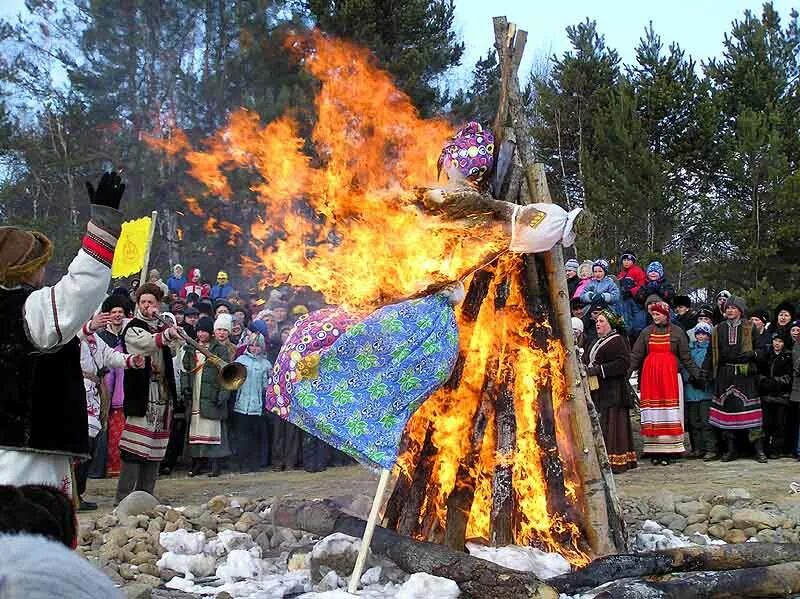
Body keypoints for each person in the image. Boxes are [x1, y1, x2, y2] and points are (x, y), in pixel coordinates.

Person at [0, 171, 125, 497]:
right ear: (24, 269)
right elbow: (79, 291)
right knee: (29, 537)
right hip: (22, 456)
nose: (44, 270)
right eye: (39, 263)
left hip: (13, 449)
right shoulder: (22, 309)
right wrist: (103, 225)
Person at [116, 283, 182, 503]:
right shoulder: (132, 326)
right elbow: (144, 344)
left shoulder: (162, 326)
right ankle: (123, 499)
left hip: (163, 393)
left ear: (158, 304)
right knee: (134, 448)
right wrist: (165, 335)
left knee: (155, 448)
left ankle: (147, 498)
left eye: (150, 302)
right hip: (142, 394)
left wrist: (173, 333)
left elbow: (174, 349)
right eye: (142, 302)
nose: (146, 306)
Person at [76, 316, 143, 511]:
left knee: (90, 447)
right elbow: (66, 343)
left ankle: (78, 494)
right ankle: (70, 495)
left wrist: (130, 360)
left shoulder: (96, 340)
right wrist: (87, 328)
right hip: (75, 392)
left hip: (93, 395)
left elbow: (110, 355)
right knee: (81, 448)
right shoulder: (73, 334)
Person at [630, 300, 701, 465]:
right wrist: (626, 374)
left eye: (658, 314)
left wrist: (698, 374)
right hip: (651, 379)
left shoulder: (677, 332)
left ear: (666, 314)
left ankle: (671, 450)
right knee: (654, 412)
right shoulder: (646, 333)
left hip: (670, 378)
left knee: (669, 411)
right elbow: (636, 355)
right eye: (653, 314)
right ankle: (654, 449)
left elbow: (686, 358)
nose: (655, 317)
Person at [706, 295, 767, 463]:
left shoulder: (750, 327)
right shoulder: (718, 329)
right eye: (727, 308)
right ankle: (730, 450)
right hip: (724, 375)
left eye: (733, 308)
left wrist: (752, 354)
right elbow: (711, 353)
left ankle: (759, 450)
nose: (730, 310)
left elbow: (762, 350)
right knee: (727, 414)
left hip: (745, 375)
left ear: (740, 310)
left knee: (751, 414)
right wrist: (706, 372)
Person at [582, 309, 637, 473]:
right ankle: (601, 459)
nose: (598, 324)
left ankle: (616, 460)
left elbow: (624, 363)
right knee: (601, 422)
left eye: (602, 321)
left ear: (611, 324)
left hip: (614, 390)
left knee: (612, 423)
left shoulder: (617, 340)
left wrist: (599, 370)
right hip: (598, 389)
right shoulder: (595, 341)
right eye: (597, 321)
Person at [184, 317, 232, 477]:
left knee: (213, 430)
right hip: (196, 393)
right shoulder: (190, 348)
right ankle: (197, 463)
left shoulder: (219, 349)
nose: (201, 334)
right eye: (199, 331)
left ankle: (215, 465)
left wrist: (223, 393)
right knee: (196, 430)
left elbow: (227, 373)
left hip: (211, 393)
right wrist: (186, 388)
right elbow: (185, 370)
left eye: (204, 331)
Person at [95, 294, 132, 479]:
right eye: (114, 312)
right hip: (103, 389)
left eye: (120, 312)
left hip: (124, 393)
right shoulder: (102, 337)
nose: (117, 315)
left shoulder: (130, 336)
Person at [232, 332, 271, 472]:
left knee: (255, 435)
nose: (254, 348)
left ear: (262, 347)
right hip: (241, 404)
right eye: (252, 345)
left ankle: (254, 463)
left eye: (257, 346)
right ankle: (242, 463)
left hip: (257, 406)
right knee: (242, 436)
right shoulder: (241, 360)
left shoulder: (266, 364)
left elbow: (267, 387)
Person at [683, 322, 717, 460]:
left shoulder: (711, 351)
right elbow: (685, 366)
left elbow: (712, 369)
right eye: (698, 333)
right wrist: (689, 378)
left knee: (706, 422)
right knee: (693, 422)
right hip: (691, 391)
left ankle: (711, 448)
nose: (701, 336)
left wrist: (704, 379)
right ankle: (697, 448)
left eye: (704, 333)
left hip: (705, 392)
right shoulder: (689, 350)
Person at [758, 332, 794, 458]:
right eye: (775, 341)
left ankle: (776, 449)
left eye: (780, 341)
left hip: (782, 396)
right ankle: (765, 449)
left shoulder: (788, 356)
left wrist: (776, 382)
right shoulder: (766, 355)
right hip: (767, 395)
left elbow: (790, 376)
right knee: (766, 424)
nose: (777, 344)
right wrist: (764, 381)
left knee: (780, 424)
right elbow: (759, 372)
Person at [617, 252, 647, 336]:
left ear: (633, 261)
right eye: (624, 260)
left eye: (629, 260)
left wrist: (631, 291)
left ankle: (638, 333)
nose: (626, 262)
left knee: (638, 320)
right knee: (626, 318)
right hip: (624, 301)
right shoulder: (621, 274)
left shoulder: (637, 271)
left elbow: (642, 285)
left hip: (636, 300)